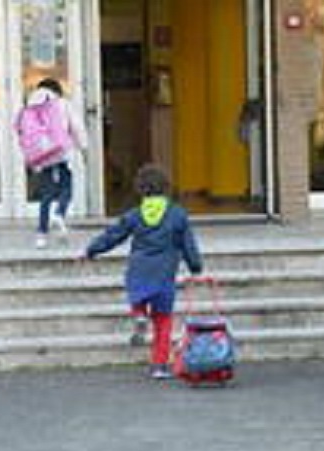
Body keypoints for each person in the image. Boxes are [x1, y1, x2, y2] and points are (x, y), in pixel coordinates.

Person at [82, 164, 203, 380]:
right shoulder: (177, 215)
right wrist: (195, 267)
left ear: (141, 189)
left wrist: (91, 250)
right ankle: (159, 366)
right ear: (166, 187)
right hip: (165, 273)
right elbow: (188, 245)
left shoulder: (134, 215)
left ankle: (138, 314)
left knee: (137, 295)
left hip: (139, 270)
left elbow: (114, 235)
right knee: (163, 321)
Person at [18, 78, 88, 248]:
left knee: (46, 194)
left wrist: (30, 157)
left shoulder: (30, 107)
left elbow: (23, 132)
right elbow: (77, 127)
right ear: (57, 90)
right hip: (61, 152)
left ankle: (41, 235)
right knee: (66, 187)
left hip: (43, 156)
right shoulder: (63, 104)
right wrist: (84, 148)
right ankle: (60, 213)